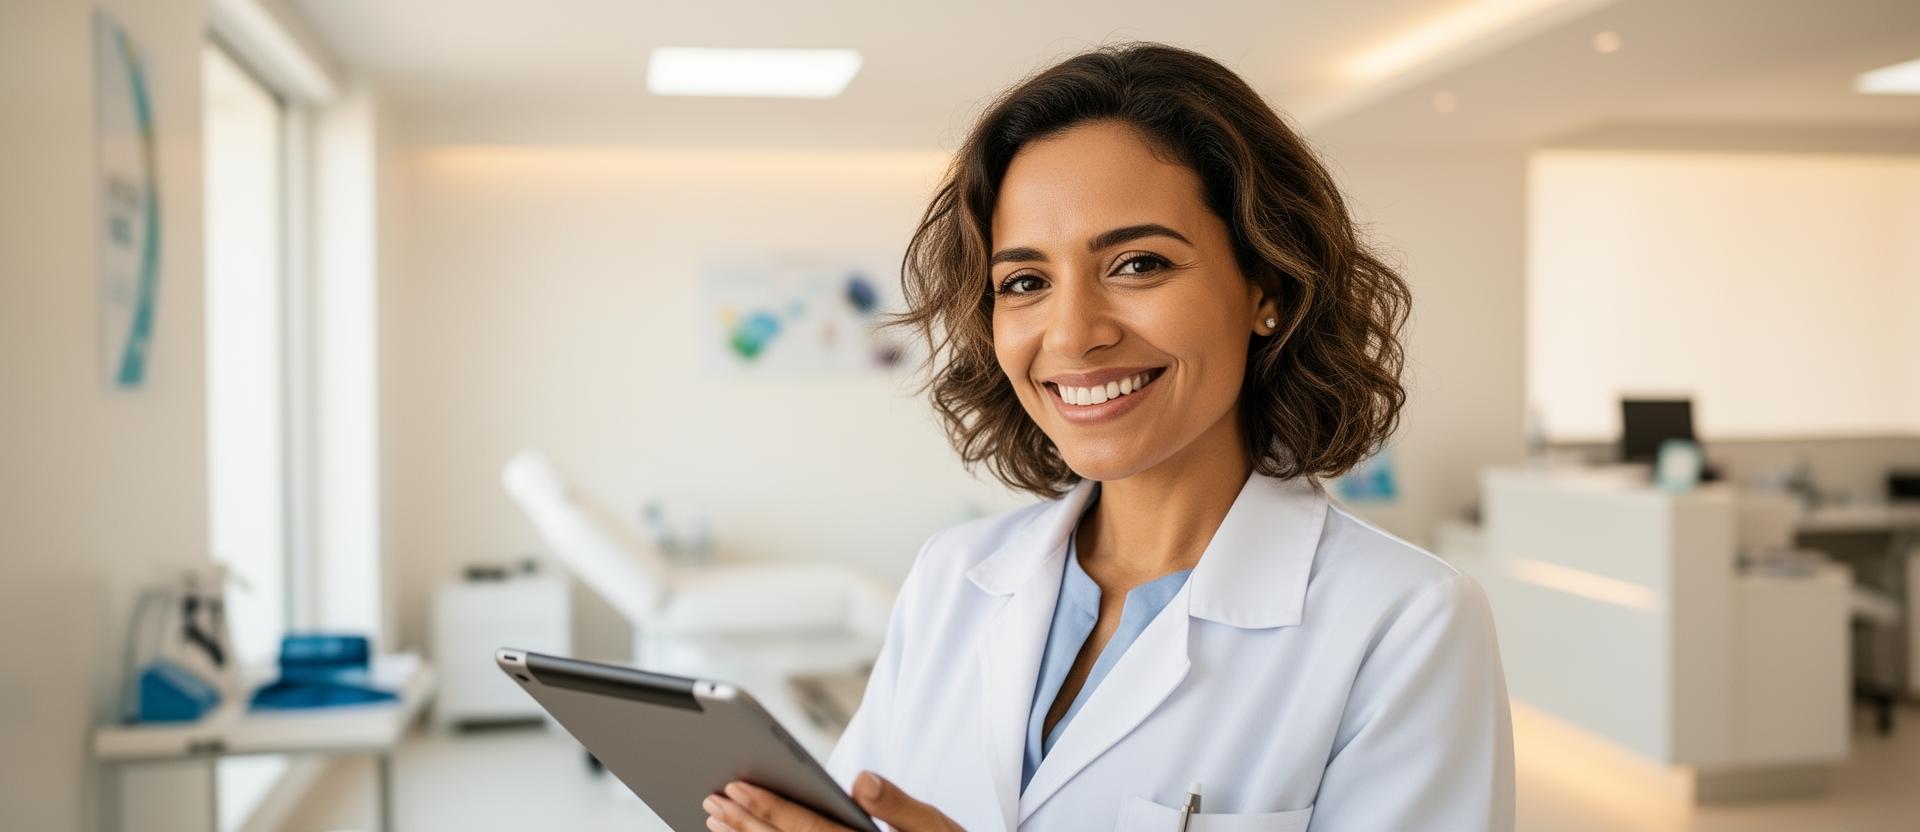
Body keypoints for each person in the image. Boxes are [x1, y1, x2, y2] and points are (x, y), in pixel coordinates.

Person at [702, 42, 1513, 832]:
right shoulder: (954, 579)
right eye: (1024, 282)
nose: (1073, 335)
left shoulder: (1405, 622)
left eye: (1137, 265)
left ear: (1267, 284)